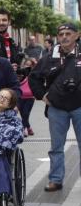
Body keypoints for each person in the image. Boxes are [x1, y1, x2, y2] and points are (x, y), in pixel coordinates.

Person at [29, 22, 81, 192]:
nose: (64, 37)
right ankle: (55, 179)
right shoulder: (50, 56)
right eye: (61, 34)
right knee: (56, 147)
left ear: (76, 35)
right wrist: (43, 96)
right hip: (57, 108)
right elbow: (33, 78)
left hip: (79, 107)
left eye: (68, 33)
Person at [17, 57, 37, 137]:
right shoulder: (20, 72)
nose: (27, 67)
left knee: (25, 113)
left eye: (29, 65)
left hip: (30, 97)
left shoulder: (34, 73)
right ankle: (29, 127)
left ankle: (24, 129)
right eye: (26, 65)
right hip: (20, 96)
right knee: (23, 114)